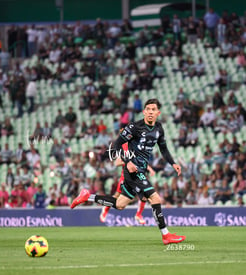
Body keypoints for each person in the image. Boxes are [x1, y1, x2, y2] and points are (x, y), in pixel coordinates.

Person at [71, 99, 185, 245]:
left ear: (158, 113)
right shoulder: (134, 126)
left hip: (141, 169)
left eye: (153, 109)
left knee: (120, 204)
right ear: (144, 112)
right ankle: (166, 235)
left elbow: (163, 148)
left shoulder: (159, 128)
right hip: (133, 171)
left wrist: (173, 163)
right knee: (155, 199)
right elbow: (117, 145)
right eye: (148, 109)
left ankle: (88, 196)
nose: (150, 112)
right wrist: (128, 162)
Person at [99, 142, 155, 225]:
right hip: (125, 177)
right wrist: (129, 162)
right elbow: (117, 163)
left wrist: (150, 169)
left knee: (144, 196)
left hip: (136, 176)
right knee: (117, 197)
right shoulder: (123, 147)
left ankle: (138, 215)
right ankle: (105, 209)